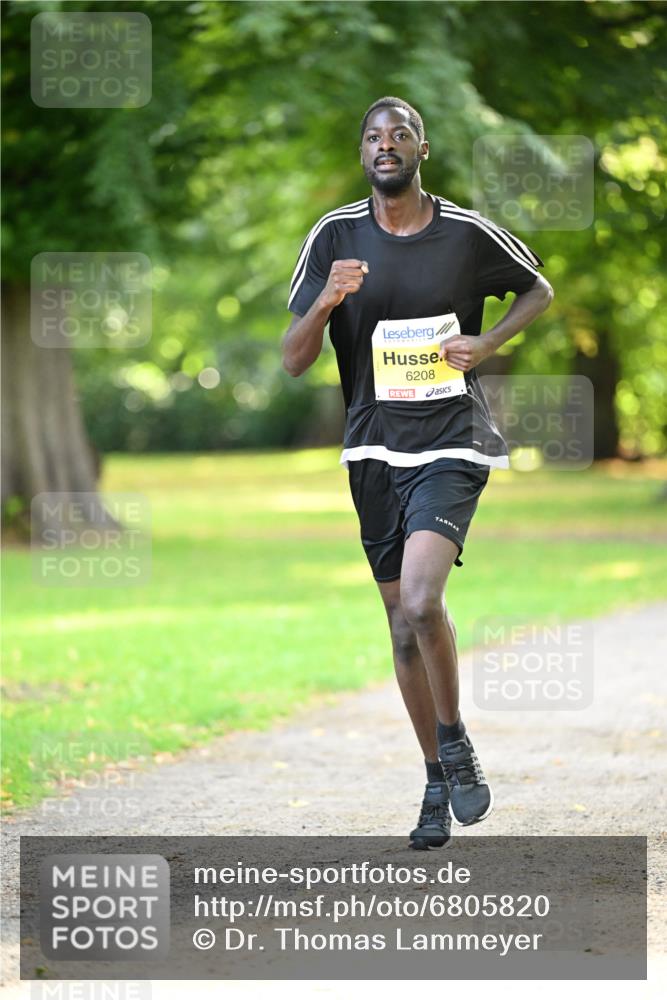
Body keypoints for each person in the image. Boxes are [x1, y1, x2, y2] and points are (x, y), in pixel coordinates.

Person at [282, 96, 553, 849]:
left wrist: (489, 341)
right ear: (361, 151)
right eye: (372, 135)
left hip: (451, 439)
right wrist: (328, 298)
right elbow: (293, 358)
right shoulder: (333, 236)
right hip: (371, 447)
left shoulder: (464, 233)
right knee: (400, 626)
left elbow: (539, 287)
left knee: (425, 597)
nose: (385, 144)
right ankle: (437, 775)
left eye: (399, 134)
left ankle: (456, 737)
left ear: (420, 149)